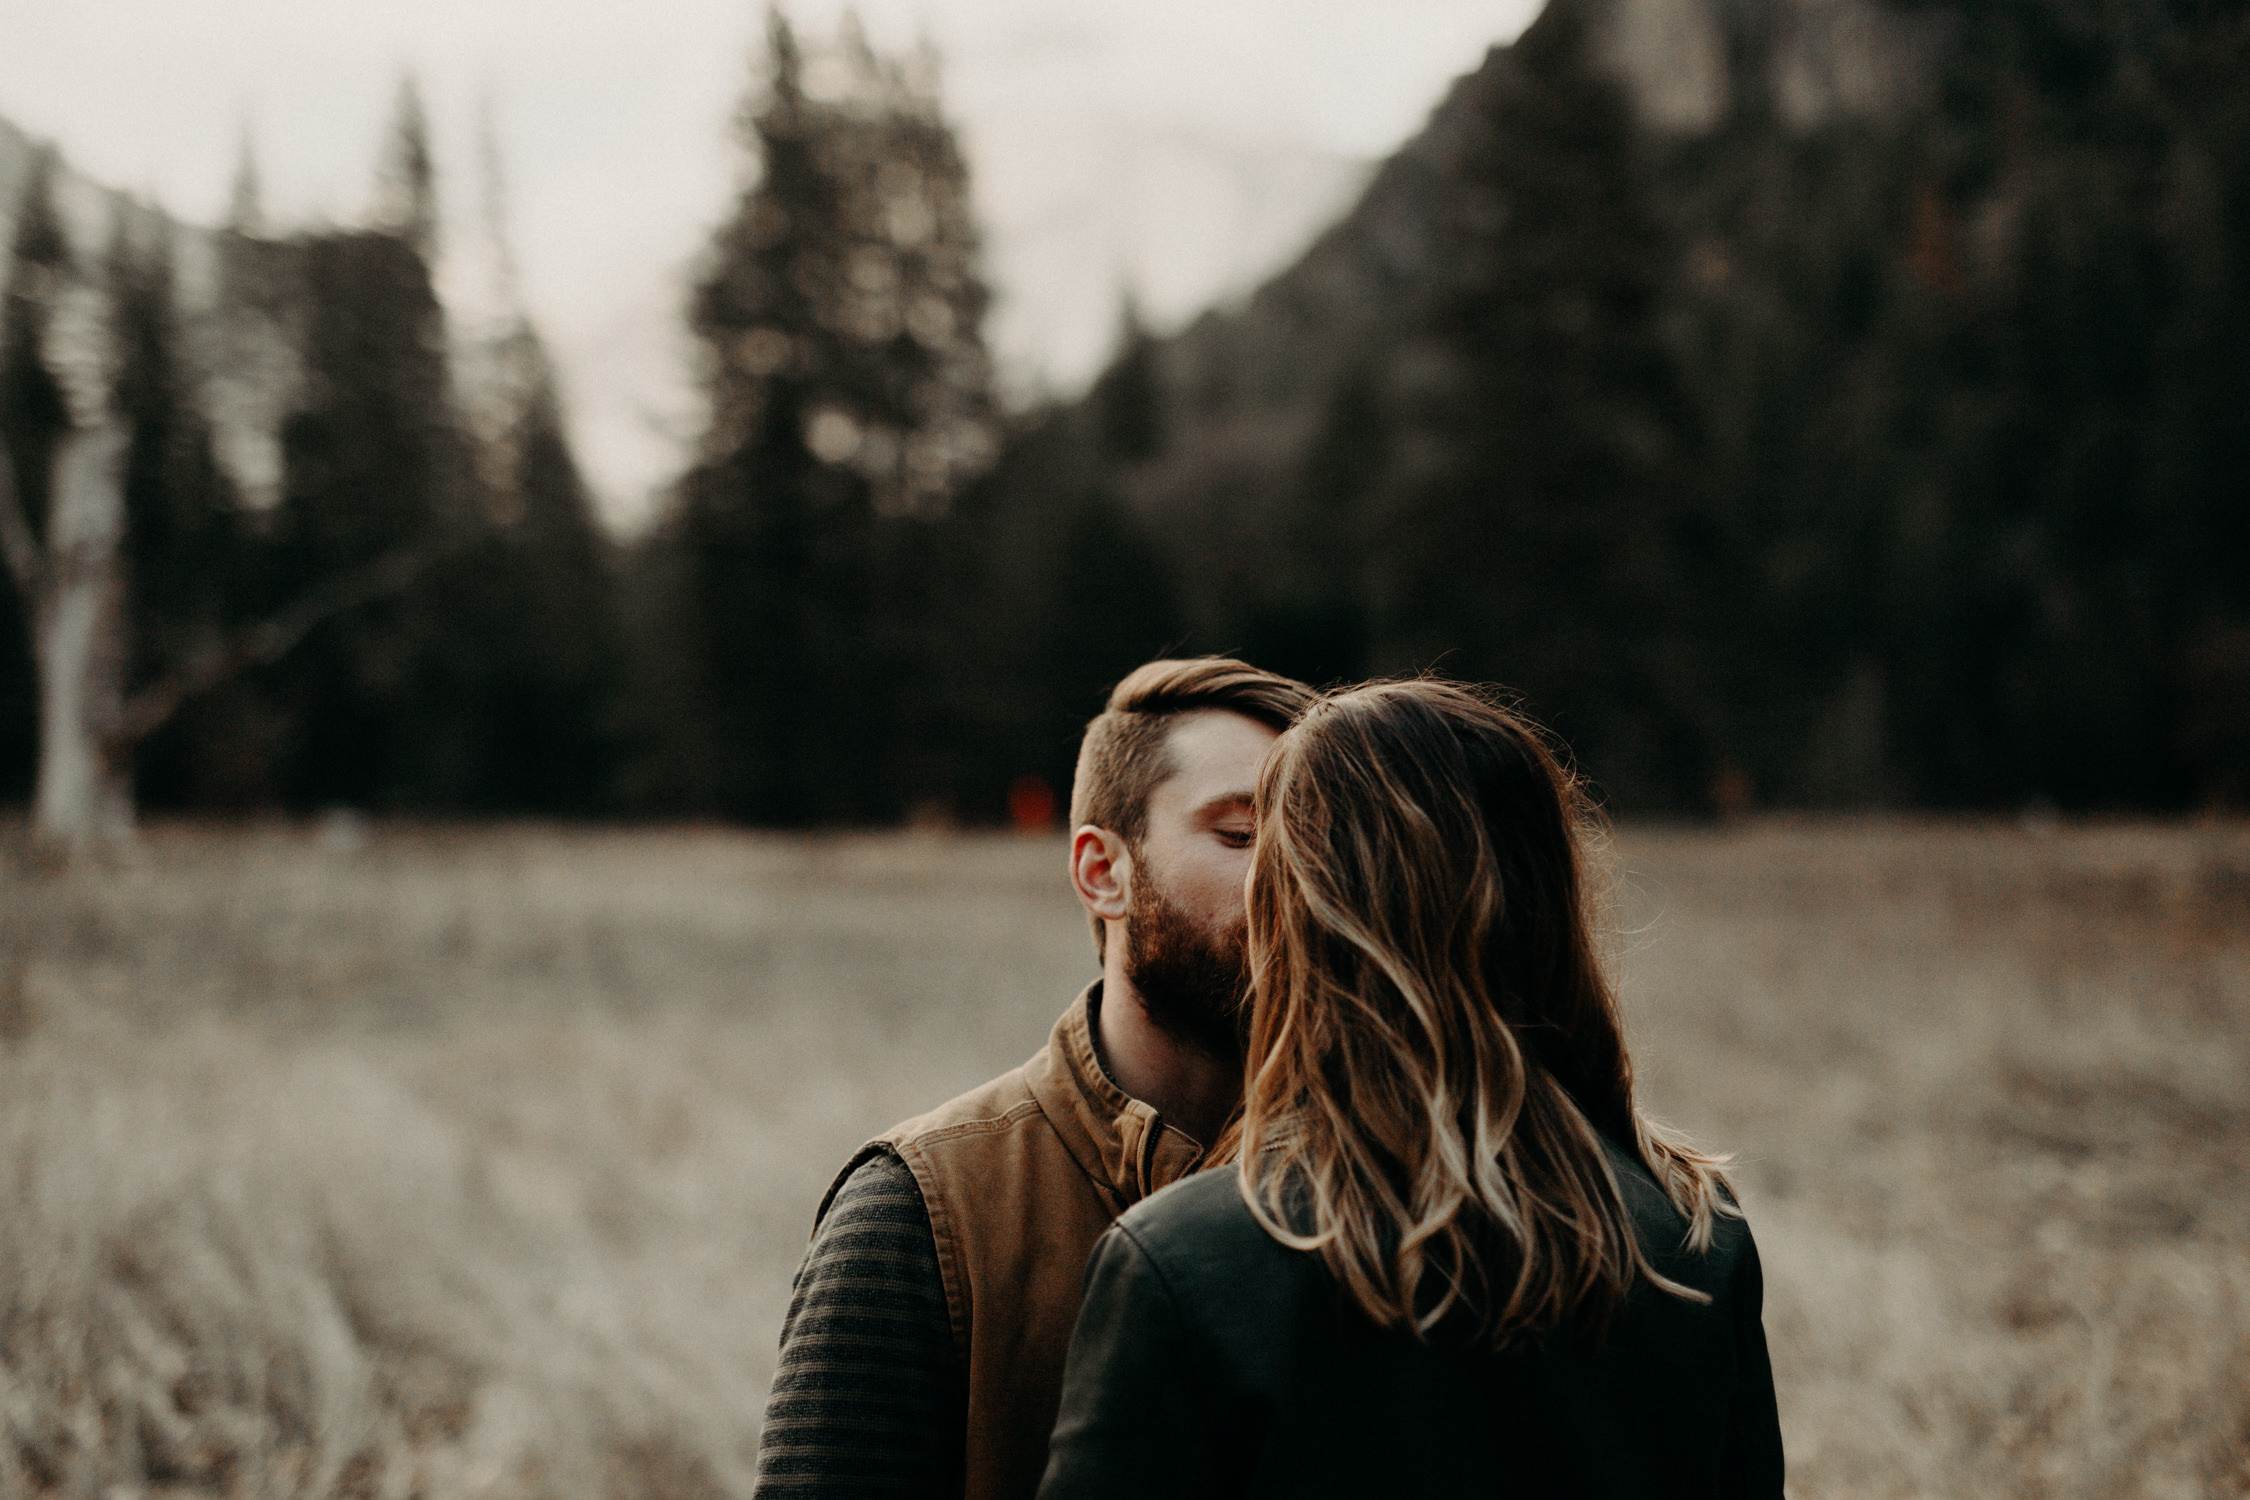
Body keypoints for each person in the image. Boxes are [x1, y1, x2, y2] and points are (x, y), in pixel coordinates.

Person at [1038, 680, 1786, 1498]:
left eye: (1267, 848)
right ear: (1549, 907)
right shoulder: (1694, 1240)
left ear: (1299, 911)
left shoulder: (1184, 1268)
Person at [752, 657, 1319, 1500]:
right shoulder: (916, 1219)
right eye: (1239, 836)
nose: (1293, 881)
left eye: (1317, 846)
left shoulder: (1405, 1191)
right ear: (1103, 871)